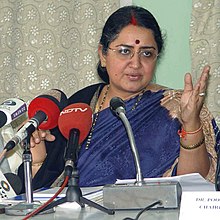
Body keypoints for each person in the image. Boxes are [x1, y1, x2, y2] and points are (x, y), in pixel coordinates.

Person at [18, 5, 220, 193]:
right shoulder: (78, 106)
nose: (136, 63)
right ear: (103, 55)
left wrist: (191, 123)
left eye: (147, 53)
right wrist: (37, 158)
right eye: (125, 51)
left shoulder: (174, 107)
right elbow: (45, 193)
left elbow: (196, 182)